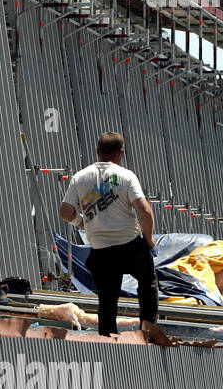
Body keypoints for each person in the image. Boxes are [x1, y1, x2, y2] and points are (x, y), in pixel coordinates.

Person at [59, 132, 169, 344]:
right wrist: (148, 239)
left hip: (101, 249)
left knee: (107, 301)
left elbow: (65, 212)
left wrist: (81, 222)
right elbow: (145, 212)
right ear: (121, 152)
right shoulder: (126, 176)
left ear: (98, 152)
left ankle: (109, 341)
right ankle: (147, 332)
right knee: (147, 285)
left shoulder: (80, 178)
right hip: (130, 245)